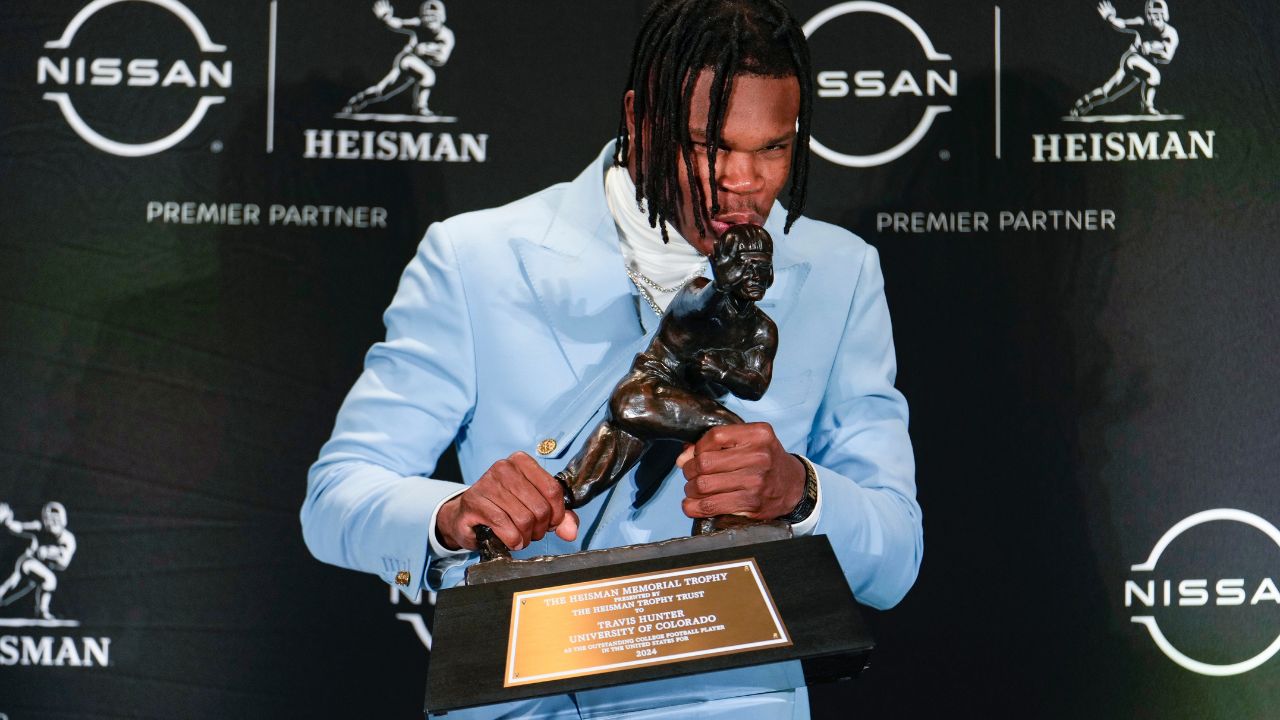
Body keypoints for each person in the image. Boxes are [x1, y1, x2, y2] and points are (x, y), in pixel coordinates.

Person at [303, 1, 921, 717]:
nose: (745, 181)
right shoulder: (474, 259)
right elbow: (337, 498)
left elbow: (894, 558)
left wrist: (798, 491)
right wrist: (451, 512)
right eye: (709, 146)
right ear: (639, 118)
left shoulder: (840, 272)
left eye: (774, 148)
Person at [342, 0, 455, 117]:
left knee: (383, 91)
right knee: (429, 76)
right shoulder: (419, 24)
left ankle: (358, 100)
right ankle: (421, 107)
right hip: (407, 60)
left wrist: (428, 51)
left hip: (417, 67)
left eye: (433, 16)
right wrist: (386, 18)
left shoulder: (447, 36)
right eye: (426, 16)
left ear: (442, 17)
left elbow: (442, 59)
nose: (429, 19)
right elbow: (400, 23)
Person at [1071, 0, 1179, 117]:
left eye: (1156, 13)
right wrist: (1110, 17)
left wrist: (1152, 49)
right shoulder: (1142, 22)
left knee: (1108, 92)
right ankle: (1148, 106)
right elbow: (1122, 23)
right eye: (1150, 13)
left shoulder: (1171, 34)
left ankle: (1081, 104)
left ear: (1164, 14)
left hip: (1144, 66)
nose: (1153, 17)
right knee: (1154, 74)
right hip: (1132, 59)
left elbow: (1167, 57)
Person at [0, 502, 76, 621]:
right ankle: (42, 611)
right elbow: (19, 526)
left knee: (12, 589)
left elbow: (63, 563)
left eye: (55, 519)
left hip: (35, 568)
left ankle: (40, 611)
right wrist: (7, 520)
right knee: (50, 580)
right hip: (28, 563)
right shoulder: (39, 527)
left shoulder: (67, 539)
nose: (51, 522)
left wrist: (50, 552)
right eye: (48, 518)